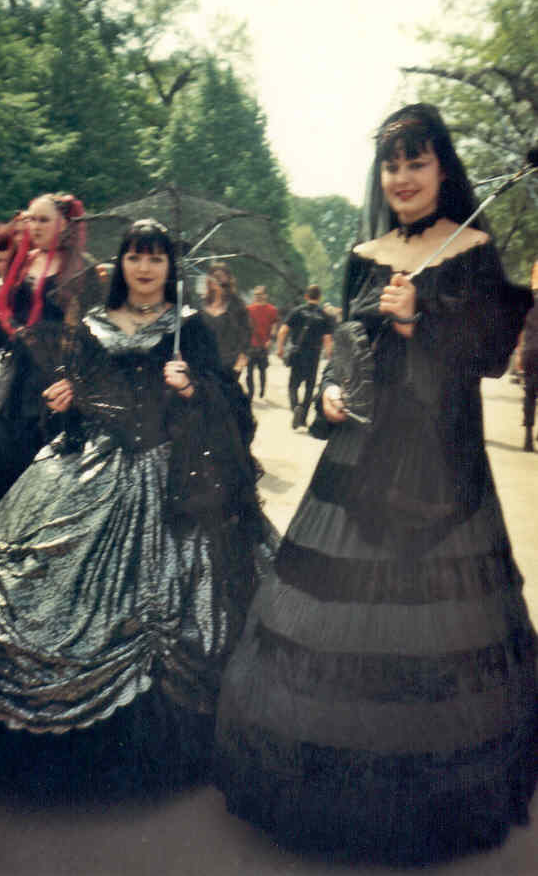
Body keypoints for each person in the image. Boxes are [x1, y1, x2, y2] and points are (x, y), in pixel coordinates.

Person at [215, 103, 536, 865]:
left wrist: (422, 317)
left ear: (442, 169)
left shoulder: (472, 247)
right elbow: (348, 341)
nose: (402, 178)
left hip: (441, 463)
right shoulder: (364, 253)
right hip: (358, 458)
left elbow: (490, 353)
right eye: (392, 165)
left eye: (416, 163)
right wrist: (333, 386)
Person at [0, 219, 276, 799]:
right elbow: (80, 401)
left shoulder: (190, 328)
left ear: (170, 268)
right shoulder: (93, 326)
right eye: (135, 257)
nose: (145, 268)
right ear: (121, 264)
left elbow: (232, 404)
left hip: (169, 477)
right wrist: (65, 400)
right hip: (90, 471)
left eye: (155, 258)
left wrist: (192, 388)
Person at [0, 192, 100, 505]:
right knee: (5, 450)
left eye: (44, 220)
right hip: (16, 376)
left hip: (59, 376)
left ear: (65, 223)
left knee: (49, 460)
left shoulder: (82, 268)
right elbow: (5, 314)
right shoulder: (22, 262)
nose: (35, 226)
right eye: (32, 219)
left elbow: (92, 329)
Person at [276, 283, 334, 429]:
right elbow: (327, 339)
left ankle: (295, 407)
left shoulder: (297, 311)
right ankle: (302, 419)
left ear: (306, 296)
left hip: (298, 352)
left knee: (293, 385)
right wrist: (329, 356)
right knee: (309, 386)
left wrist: (280, 348)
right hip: (313, 355)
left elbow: (283, 331)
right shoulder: (324, 316)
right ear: (320, 298)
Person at [200, 262, 251, 377]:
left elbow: (246, 334)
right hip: (203, 362)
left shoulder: (237, 305)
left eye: (220, 276)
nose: (216, 279)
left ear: (228, 280)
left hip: (229, 363)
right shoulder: (201, 304)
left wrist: (241, 361)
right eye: (213, 276)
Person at [246, 285, 279, 400]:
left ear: (265, 295)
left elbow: (274, 326)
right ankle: (251, 393)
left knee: (262, 370)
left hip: (264, 345)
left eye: (260, 294)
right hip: (251, 345)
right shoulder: (249, 309)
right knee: (249, 371)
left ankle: (262, 390)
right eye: (256, 295)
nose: (258, 297)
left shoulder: (272, 310)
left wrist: (271, 340)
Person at [518, 259, 538, 451]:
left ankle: (528, 438)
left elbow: (520, 330)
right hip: (531, 351)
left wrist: (519, 354)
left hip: (530, 352)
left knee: (530, 393)